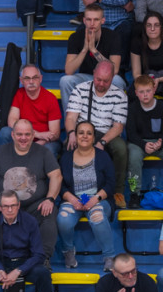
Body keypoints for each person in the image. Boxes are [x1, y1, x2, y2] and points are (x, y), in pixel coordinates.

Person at [0, 119, 62, 263]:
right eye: (19, 134)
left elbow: (56, 175)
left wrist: (50, 199)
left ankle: (43, 259)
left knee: (49, 213)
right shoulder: (0, 152)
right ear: (12, 135)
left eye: (27, 134)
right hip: (6, 206)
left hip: (34, 206)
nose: (23, 138)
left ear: (33, 135)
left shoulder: (43, 152)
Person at [64, 61, 130, 208]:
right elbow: (70, 118)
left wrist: (103, 142)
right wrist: (71, 133)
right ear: (93, 73)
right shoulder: (80, 90)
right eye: (98, 79)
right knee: (68, 145)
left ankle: (118, 192)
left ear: (113, 78)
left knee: (121, 149)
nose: (100, 83)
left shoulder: (120, 96)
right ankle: (70, 192)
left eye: (105, 81)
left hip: (107, 133)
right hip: (83, 130)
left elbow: (118, 127)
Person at [57, 121, 118, 271]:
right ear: (75, 136)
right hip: (74, 199)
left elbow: (111, 184)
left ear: (93, 137)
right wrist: (71, 199)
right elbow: (61, 185)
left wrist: (95, 199)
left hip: (98, 198)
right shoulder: (66, 158)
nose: (85, 136)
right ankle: (68, 252)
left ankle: (109, 257)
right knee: (63, 218)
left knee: (97, 216)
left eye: (89, 133)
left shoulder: (103, 157)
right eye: (81, 133)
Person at [59, 4, 124, 112]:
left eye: (96, 19)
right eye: (89, 19)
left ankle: (114, 123)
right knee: (65, 81)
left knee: (117, 80)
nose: (92, 23)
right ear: (84, 20)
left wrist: (94, 50)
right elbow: (69, 70)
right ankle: (71, 125)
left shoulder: (113, 37)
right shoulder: (75, 37)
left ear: (102, 21)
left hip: (106, 78)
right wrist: (85, 49)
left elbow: (114, 70)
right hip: (85, 78)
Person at [0, 64, 62, 158]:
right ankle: (1, 169)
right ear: (21, 81)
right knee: (5, 132)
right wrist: (37, 134)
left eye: (35, 78)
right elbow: (12, 123)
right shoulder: (19, 94)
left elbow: (54, 134)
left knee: (50, 150)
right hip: (23, 138)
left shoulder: (50, 98)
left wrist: (38, 143)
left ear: (40, 79)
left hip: (45, 141)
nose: (31, 81)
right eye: (27, 78)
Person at [127, 75, 163, 207]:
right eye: (141, 92)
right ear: (136, 93)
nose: (145, 95)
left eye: (148, 91)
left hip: (158, 142)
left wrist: (160, 143)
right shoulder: (132, 108)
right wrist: (143, 144)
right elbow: (131, 134)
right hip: (139, 143)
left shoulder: (161, 106)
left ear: (154, 90)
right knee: (133, 156)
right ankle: (134, 194)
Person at [132, 12, 163, 89]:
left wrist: (158, 80)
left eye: (156, 25)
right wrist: (148, 83)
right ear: (144, 27)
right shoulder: (137, 43)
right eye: (149, 25)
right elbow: (136, 74)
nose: (152, 29)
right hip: (144, 82)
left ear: (161, 27)